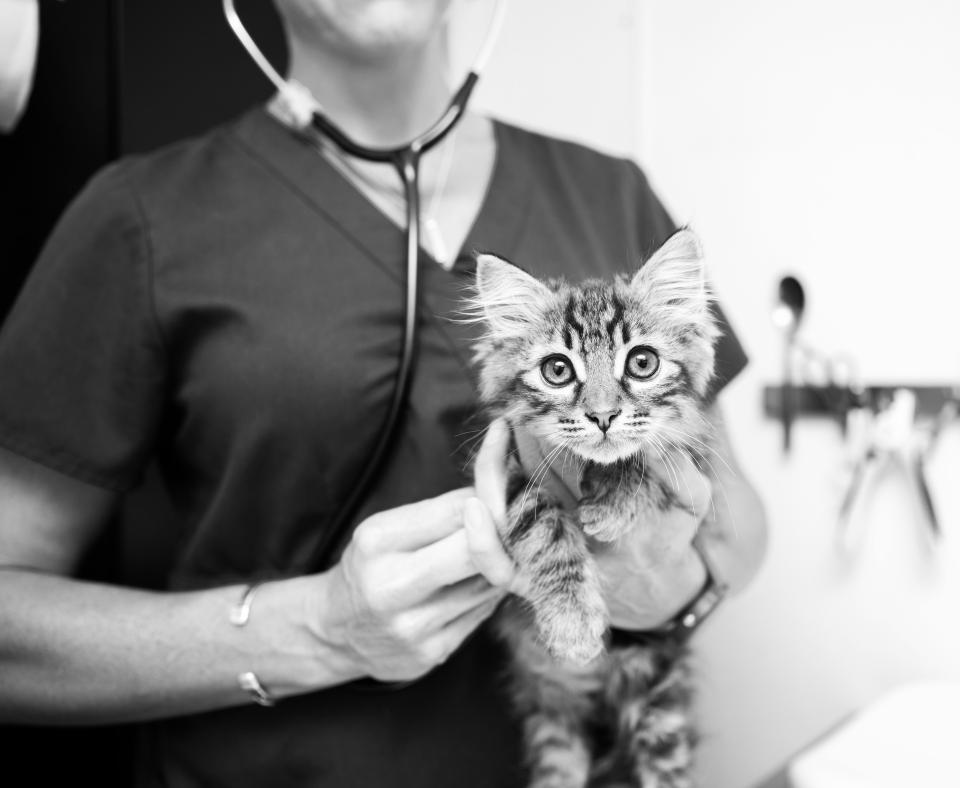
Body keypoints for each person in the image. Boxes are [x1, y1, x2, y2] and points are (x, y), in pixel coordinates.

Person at [0, 1, 768, 786]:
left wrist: (662, 591)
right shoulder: (141, 217)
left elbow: (739, 534)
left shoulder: (610, 190)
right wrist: (321, 632)